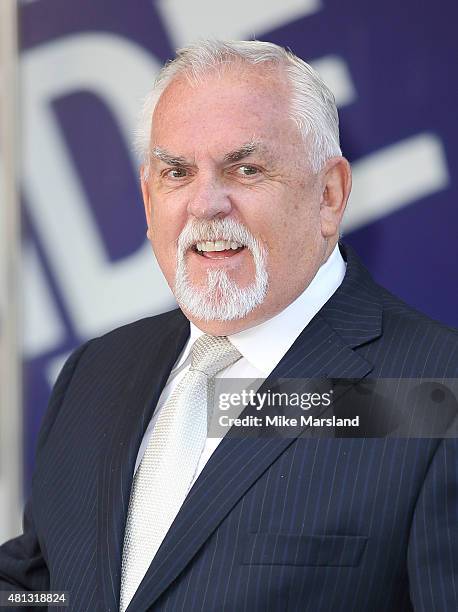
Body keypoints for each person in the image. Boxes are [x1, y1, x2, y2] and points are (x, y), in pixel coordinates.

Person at [0, 40, 457, 612]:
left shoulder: (437, 392)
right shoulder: (97, 370)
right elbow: (45, 588)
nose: (206, 204)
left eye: (246, 168)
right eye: (177, 172)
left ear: (330, 195)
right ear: (148, 199)